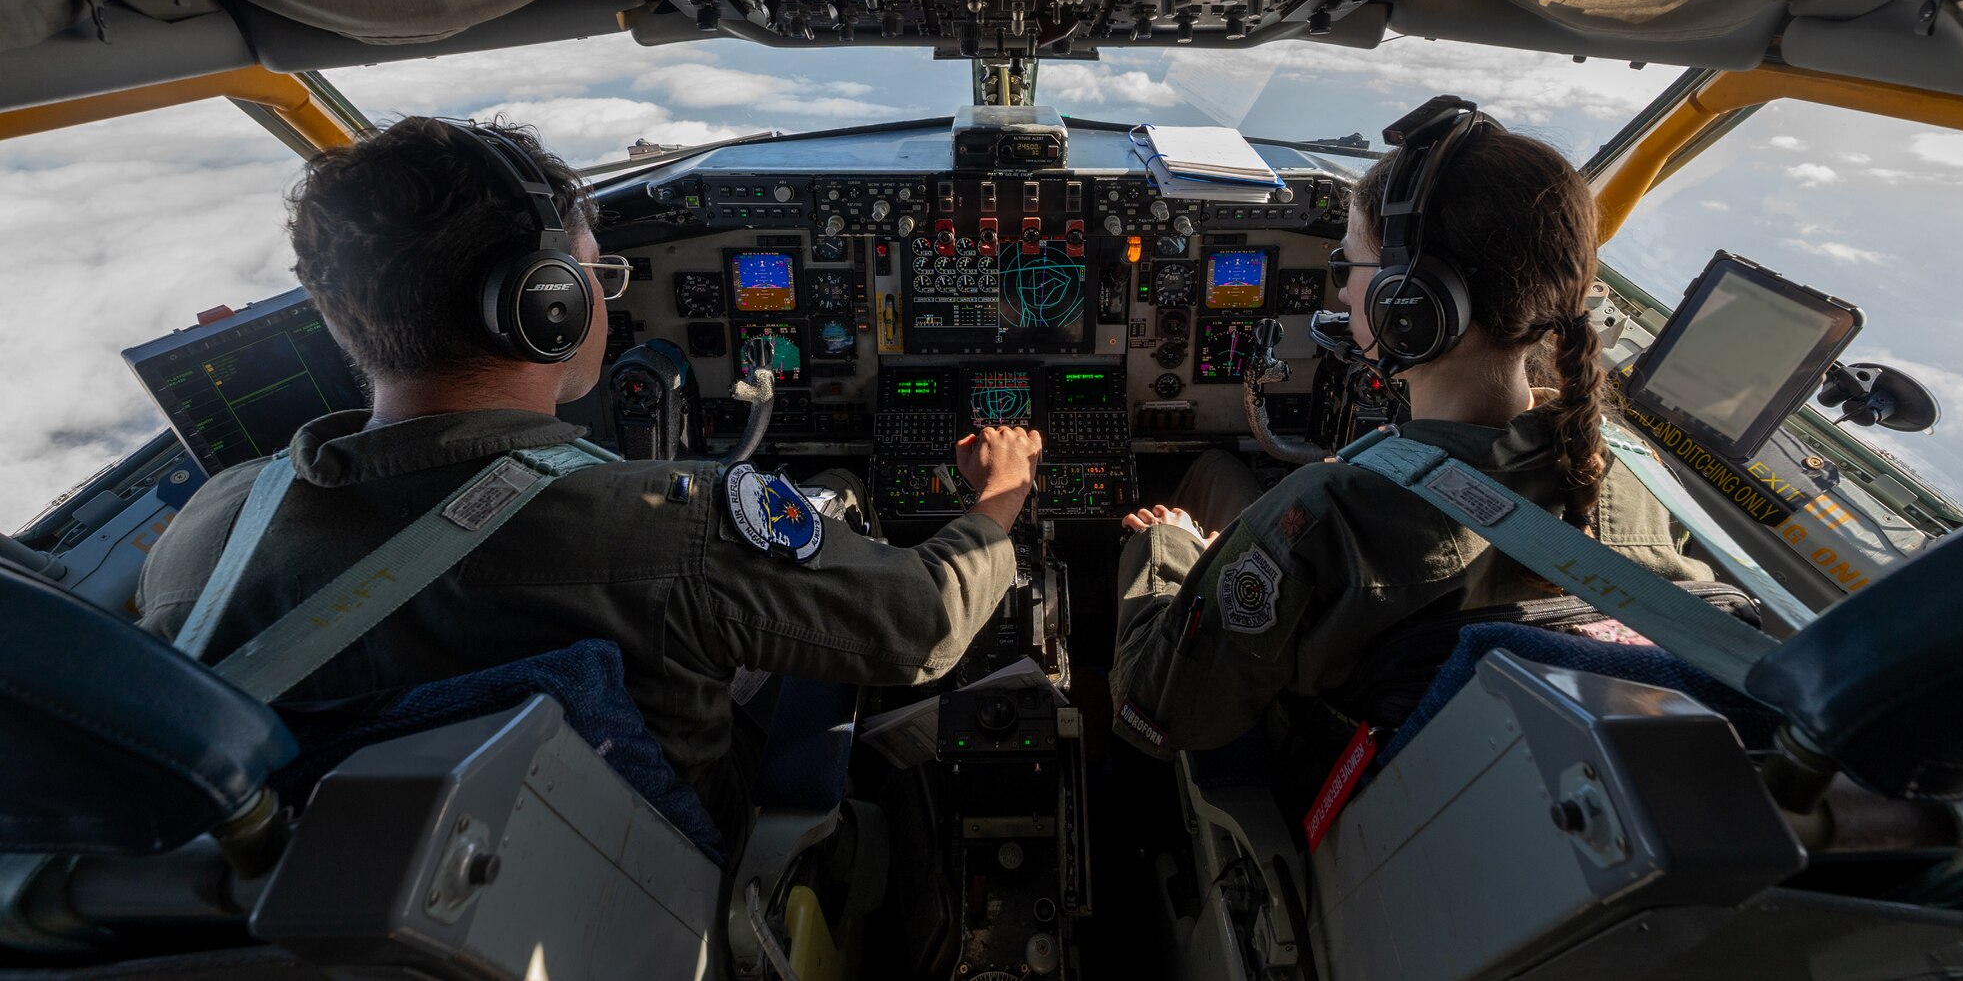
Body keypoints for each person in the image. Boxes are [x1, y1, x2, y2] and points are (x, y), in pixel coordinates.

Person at [137, 116, 1043, 837]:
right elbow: (921, 623)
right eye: (594, 272)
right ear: (548, 305)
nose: (605, 296)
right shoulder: (668, 525)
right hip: (665, 874)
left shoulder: (206, 537)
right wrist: (997, 500)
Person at [1108, 110, 1713, 757]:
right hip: (1500, 763)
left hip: (1317, 772)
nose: (1342, 296)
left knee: (1197, 491)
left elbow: (1152, 712)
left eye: (1353, 264)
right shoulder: (1634, 472)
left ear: (1414, 300)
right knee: (1220, 475)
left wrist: (1166, 549)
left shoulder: (1328, 512)